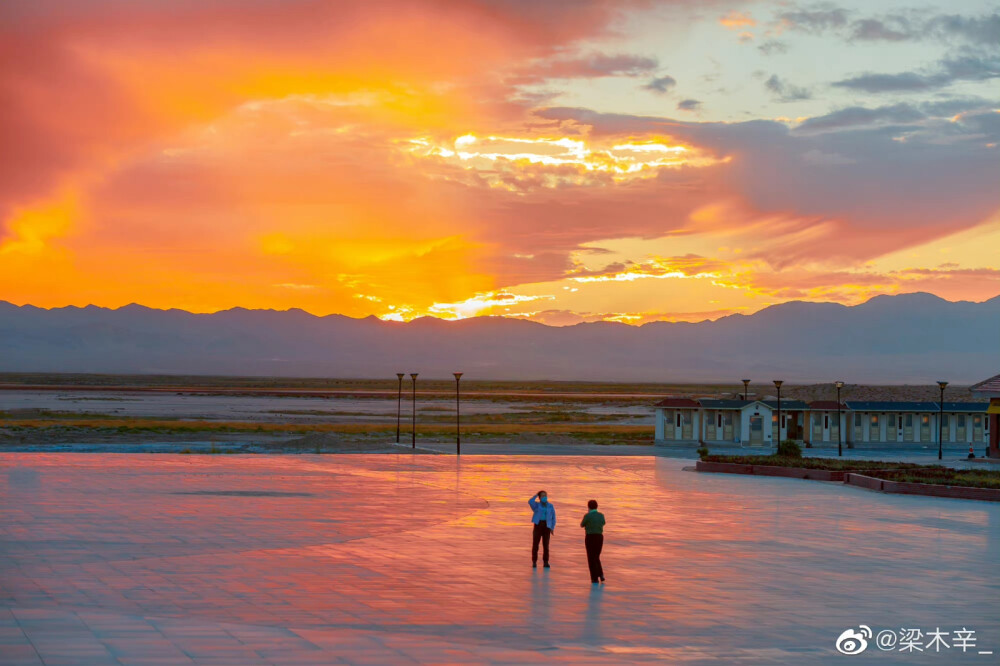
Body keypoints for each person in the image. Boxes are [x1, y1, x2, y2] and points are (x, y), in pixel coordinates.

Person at [580, 499, 605, 584]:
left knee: (591, 558)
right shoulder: (601, 515)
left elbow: (582, 524)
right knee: (596, 556)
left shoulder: (587, 516)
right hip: (599, 537)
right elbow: (603, 522)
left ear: (588, 507)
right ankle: (601, 574)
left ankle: (594, 578)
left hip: (590, 537)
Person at [528, 490, 556, 568]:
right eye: (543, 496)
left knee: (546, 545)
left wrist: (552, 527)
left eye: (545, 495)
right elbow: (530, 501)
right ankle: (534, 561)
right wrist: (536, 495)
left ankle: (546, 562)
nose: (544, 497)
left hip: (547, 526)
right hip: (538, 525)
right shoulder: (536, 505)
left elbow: (554, 517)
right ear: (540, 498)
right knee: (535, 544)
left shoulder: (550, 506)